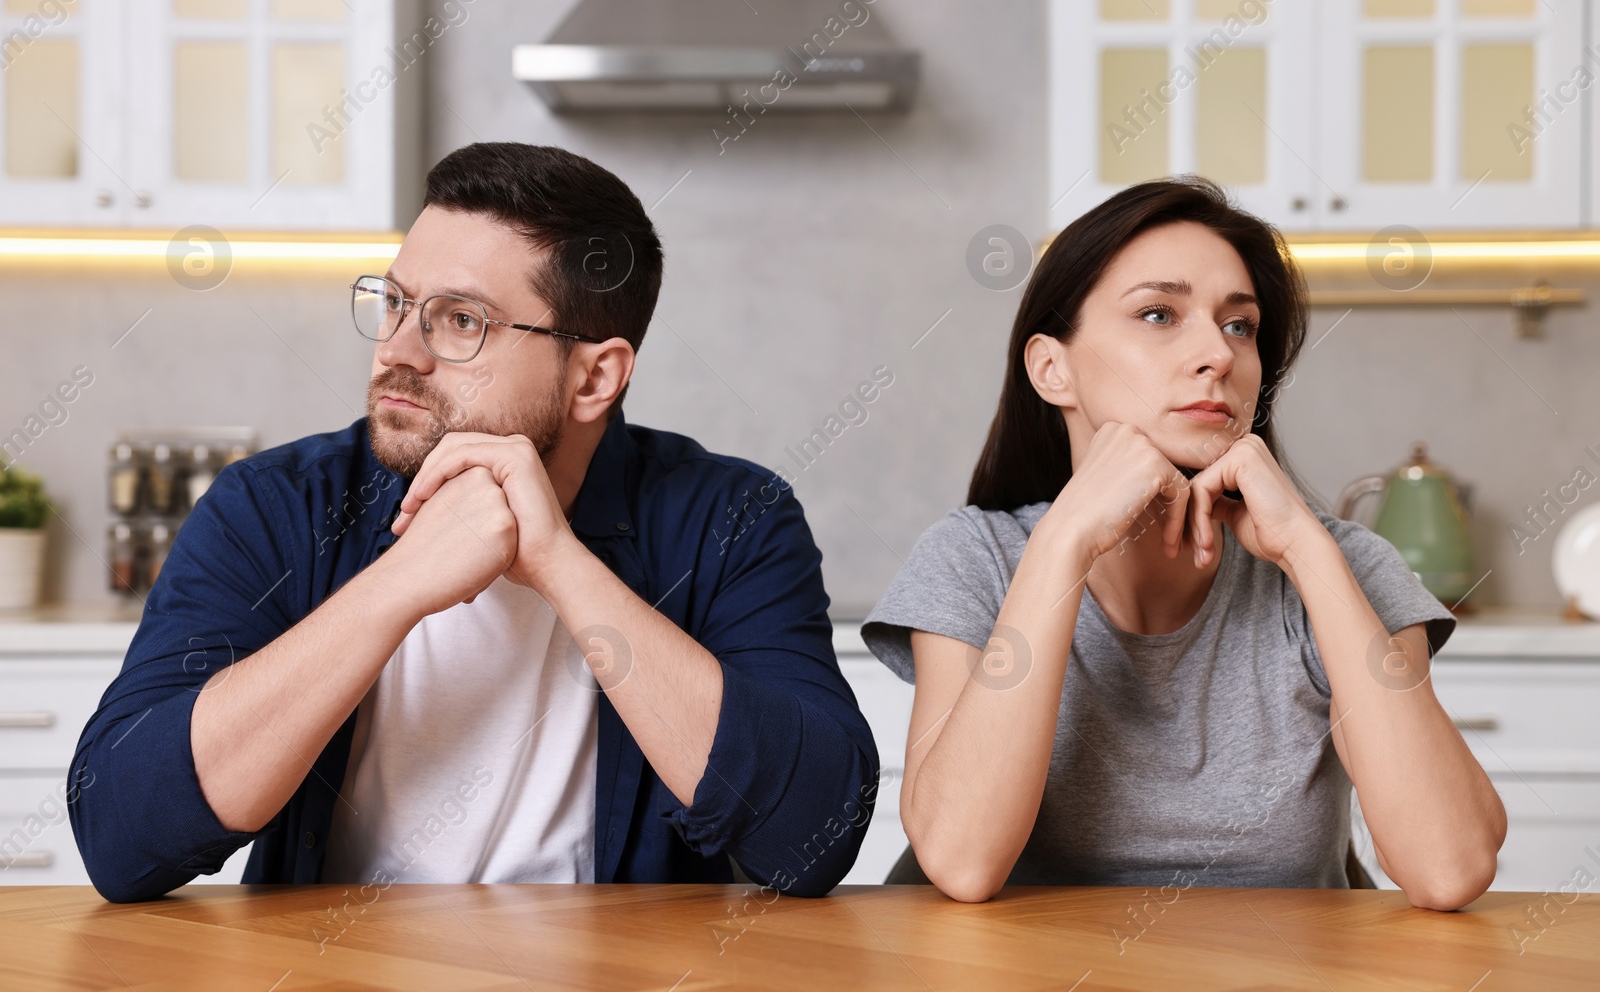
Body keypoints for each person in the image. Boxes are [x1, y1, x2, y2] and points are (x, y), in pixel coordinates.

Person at [71, 142, 878, 904]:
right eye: (393, 302)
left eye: (461, 321)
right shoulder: (272, 507)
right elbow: (121, 835)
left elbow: (813, 835)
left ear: (595, 376)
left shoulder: (731, 520)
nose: (398, 350)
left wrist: (561, 563)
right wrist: (395, 587)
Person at [862, 177, 1505, 909]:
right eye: (1159, 313)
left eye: (1239, 326)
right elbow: (962, 860)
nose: (1218, 355)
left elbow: (1449, 866)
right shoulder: (974, 557)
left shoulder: (1341, 563)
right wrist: (1064, 541)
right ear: (1052, 367)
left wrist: (1306, 546)